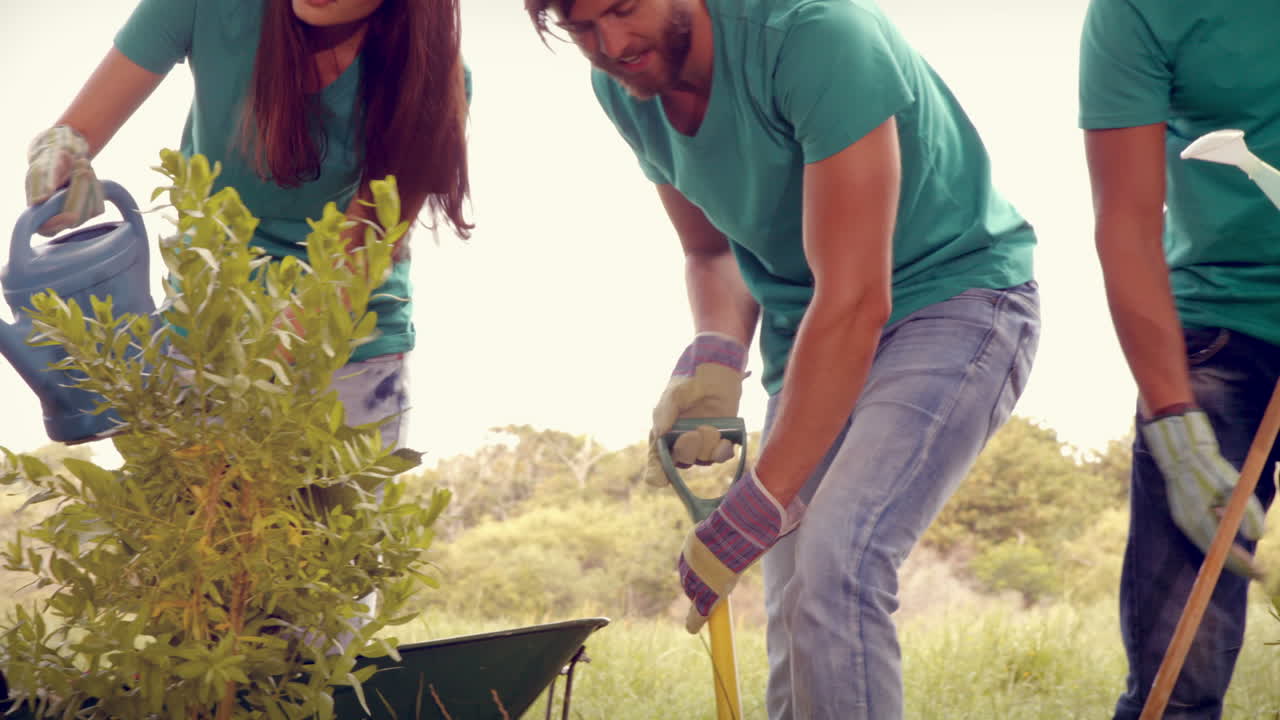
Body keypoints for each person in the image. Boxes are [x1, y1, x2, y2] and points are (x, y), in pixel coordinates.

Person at [522, 0, 1040, 717]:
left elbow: (856, 299)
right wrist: (716, 353)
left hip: (952, 300)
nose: (609, 42)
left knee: (838, 563)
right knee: (796, 610)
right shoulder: (626, 83)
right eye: (580, 27)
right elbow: (710, 250)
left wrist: (756, 507)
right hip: (811, 333)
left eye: (622, 7)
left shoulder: (816, 34)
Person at [23, 0, 472, 449]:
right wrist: (59, 160)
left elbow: (355, 258)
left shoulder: (429, 76)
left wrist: (245, 392)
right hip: (203, 342)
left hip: (347, 356)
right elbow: (73, 132)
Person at [1079, 2, 1279, 717]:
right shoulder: (1136, 11)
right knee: (1177, 679)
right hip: (1215, 332)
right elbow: (1127, 222)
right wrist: (1175, 426)